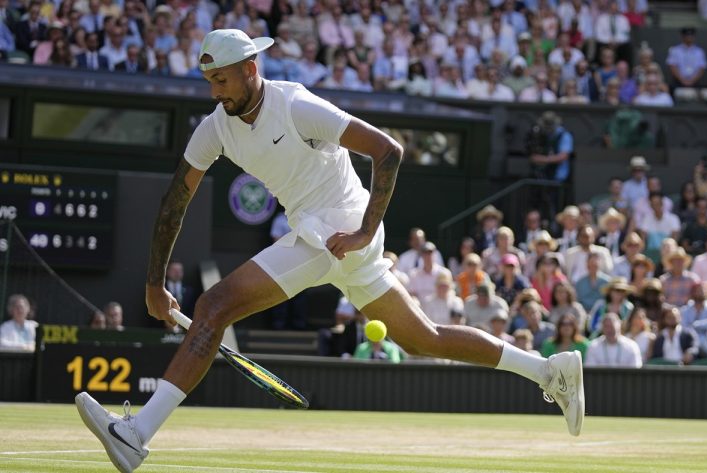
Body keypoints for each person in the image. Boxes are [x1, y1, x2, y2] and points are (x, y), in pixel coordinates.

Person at [75, 31, 586, 469]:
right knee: (422, 338)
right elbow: (174, 201)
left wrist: (365, 231)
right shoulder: (216, 127)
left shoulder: (297, 105)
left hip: (338, 231)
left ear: (251, 68)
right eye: (210, 82)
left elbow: (389, 151)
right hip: (323, 235)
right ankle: (548, 370)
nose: (216, 91)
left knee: (213, 306)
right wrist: (153, 282)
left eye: (223, 80)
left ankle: (136, 434)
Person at [407, 241, 452, 306]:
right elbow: (412, 294)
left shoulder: (444, 273)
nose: (428, 256)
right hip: (420, 309)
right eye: (425, 253)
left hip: (439, 308)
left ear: (435, 254)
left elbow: (450, 292)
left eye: (430, 253)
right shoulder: (413, 274)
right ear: (421, 255)